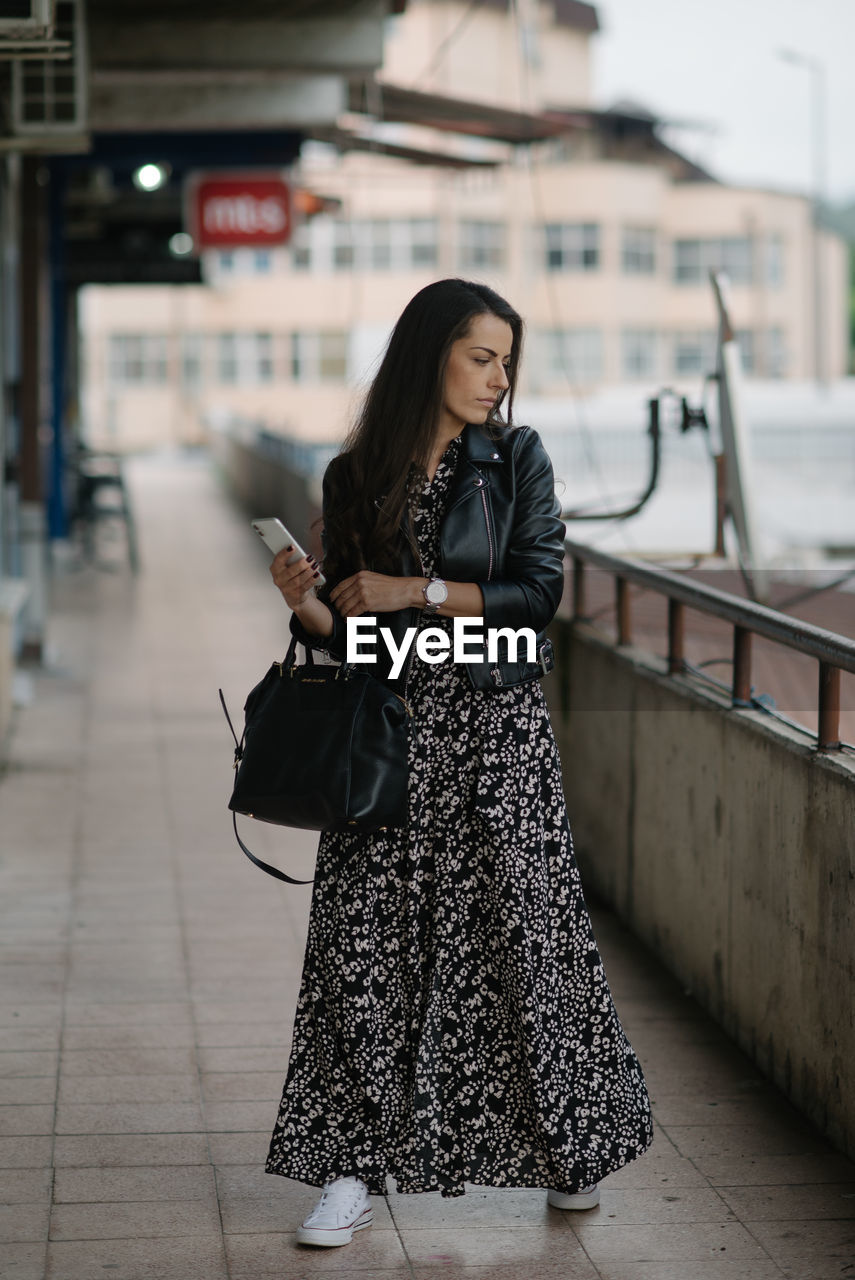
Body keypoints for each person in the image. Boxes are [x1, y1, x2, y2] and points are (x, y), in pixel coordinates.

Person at [266, 278, 653, 1247]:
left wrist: (423, 587)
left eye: (507, 361)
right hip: (387, 736)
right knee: (360, 950)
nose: (499, 378)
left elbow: (537, 593)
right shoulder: (354, 475)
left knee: (526, 944)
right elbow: (349, 633)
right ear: (430, 351)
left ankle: (568, 1144)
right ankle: (350, 1168)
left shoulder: (517, 459)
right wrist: (306, 603)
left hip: (496, 740)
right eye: (482, 355)